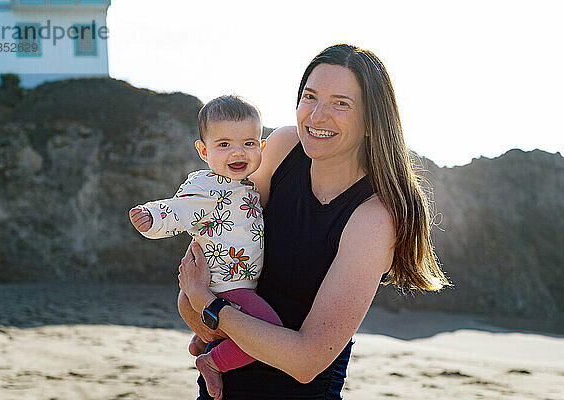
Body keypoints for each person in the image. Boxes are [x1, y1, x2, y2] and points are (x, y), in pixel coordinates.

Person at [178, 44, 450, 400]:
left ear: (372, 122)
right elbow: (205, 258)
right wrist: (197, 305)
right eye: (310, 97)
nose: (317, 116)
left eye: (341, 103)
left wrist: (210, 306)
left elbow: (306, 361)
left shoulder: (374, 218)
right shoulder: (281, 149)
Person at [129, 95, 282, 400]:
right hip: (224, 286)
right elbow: (182, 210)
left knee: (251, 329)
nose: (238, 152)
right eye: (224, 145)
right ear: (203, 150)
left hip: (238, 282)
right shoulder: (209, 187)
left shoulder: (246, 184)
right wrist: (154, 216)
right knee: (269, 331)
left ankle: (202, 338)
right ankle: (212, 361)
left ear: (261, 147)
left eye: (249, 143)